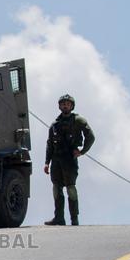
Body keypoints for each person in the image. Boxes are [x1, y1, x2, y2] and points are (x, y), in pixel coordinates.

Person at [43, 94, 94, 226]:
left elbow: (91, 136)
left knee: (71, 187)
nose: (65, 106)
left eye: (67, 104)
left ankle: (74, 218)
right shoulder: (55, 124)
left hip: (69, 160)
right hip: (56, 160)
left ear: (72, 106)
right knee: (56, 187)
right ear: (59, 106)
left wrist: (82, 151)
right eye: (63, 104)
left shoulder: (78, 120)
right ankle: (59, 218)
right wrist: (46, 163)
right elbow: (49, 144)